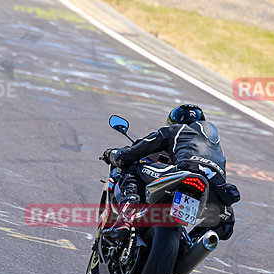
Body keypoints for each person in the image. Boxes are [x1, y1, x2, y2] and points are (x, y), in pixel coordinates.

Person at [102, 104, 238, 242]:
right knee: (227, 220)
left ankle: (127, 215)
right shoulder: (215, 145)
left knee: (132, 168)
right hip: (212, 187)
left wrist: (115, 154)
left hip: (185, 172)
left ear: (173, 122)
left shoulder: (176, 130)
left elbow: (136, 151)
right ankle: (191, 243)